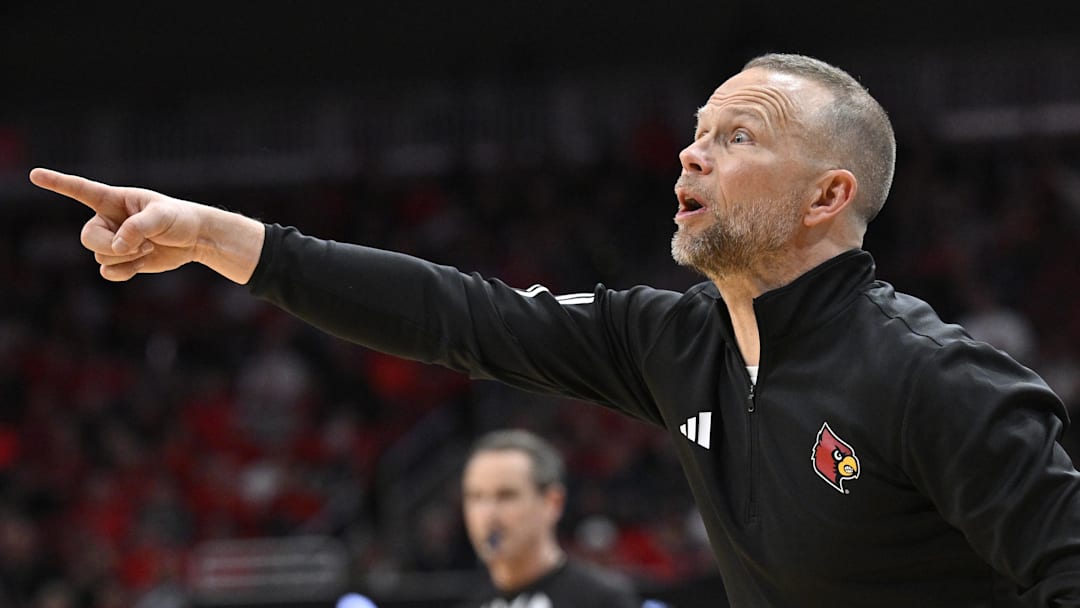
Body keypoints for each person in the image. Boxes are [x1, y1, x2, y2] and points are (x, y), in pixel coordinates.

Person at [28, 52, 1080, 606]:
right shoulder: (675, 345)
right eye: (695, 132)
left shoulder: (938, 381)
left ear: (825, 195)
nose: (689, 156)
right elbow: (460, 313)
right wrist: (218, 234)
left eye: (735, 136)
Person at [458, 429, 640, 607]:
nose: (489, 515)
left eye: (506, 496)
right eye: (475, 497)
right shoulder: (471, 603)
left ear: (553, 502)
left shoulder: (603, 599)